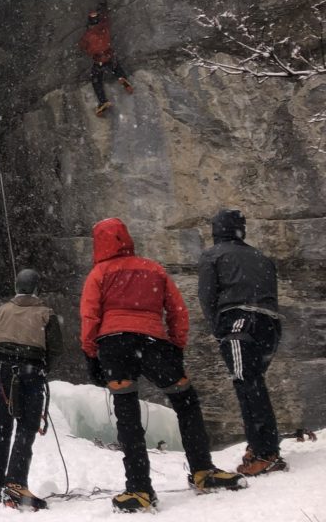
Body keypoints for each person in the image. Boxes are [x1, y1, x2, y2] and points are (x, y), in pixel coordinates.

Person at [80, 218, 246, 513]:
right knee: (185, 401)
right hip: (153, 342)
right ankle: (203, 471)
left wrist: (91, 353)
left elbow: (89, 317)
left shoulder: (99, 273)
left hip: (114, 344)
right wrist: (176, 346)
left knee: (127, 415)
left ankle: (139, 488)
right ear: (126, 238)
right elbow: (178, 309)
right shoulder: (152, 268)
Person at [198, 208, 287, 476]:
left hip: (239, 322)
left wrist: (218, 328)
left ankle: (265, 451)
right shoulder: (261, 257)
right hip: (270, 325)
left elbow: (207, 296)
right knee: (254, 383)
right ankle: (262, 445)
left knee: (247, 386)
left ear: (216, 230)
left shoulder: (213, 255)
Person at [0, 268, 63, 510]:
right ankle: (16, 484)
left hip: (4, 373)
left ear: (17, 287)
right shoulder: (46, 314)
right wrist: (41, 368)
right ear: (36, 288)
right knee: (26, 428)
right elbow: (56, 350)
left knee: (2, 429)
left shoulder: (1, 310)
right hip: (31, 373)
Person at [78, 5, 133, 117]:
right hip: (109, 55)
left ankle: (103, 101)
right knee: (116, 66)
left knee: (96, 80)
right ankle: (122, 78)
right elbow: (106, 19)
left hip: (99, 60)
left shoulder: (88, 35)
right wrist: (103, 10)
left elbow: (83, 46)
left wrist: (88, 47)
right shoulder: (104, 27)